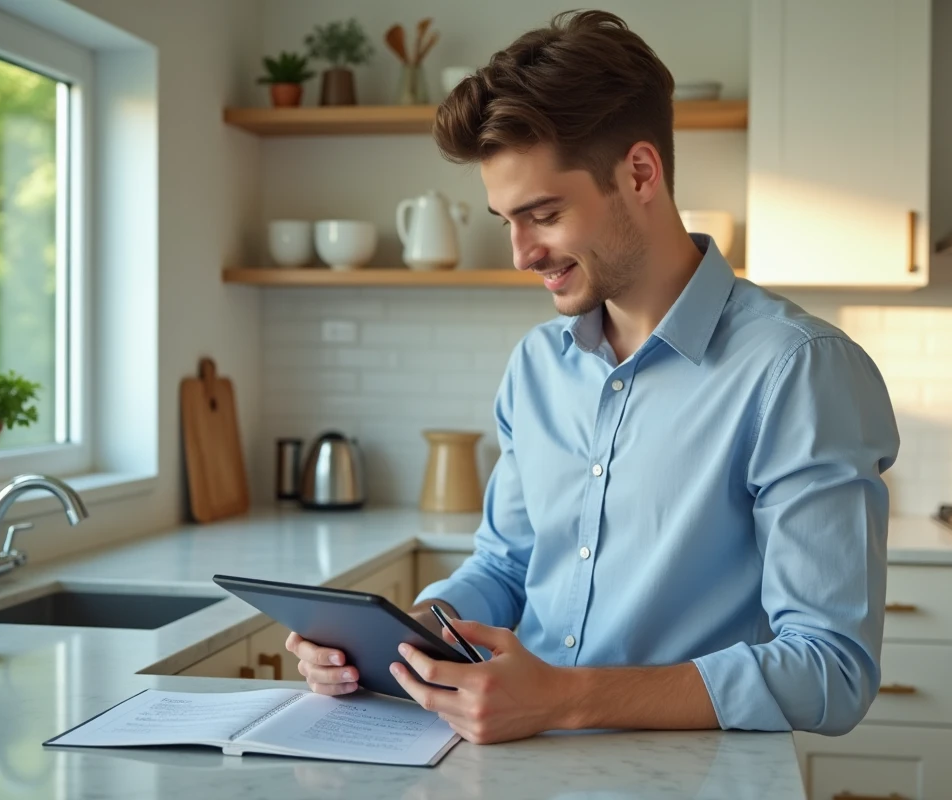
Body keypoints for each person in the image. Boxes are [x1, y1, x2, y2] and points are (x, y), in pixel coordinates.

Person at [286, 9, 899, 745]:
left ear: (640, 172)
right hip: (518, 769)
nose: (520, 253)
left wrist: (564, 700)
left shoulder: (796, 370)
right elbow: (507, 567)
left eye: (543, 214)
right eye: (505, 219)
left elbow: (830, 671)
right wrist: (407, 636)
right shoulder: (538, 366)